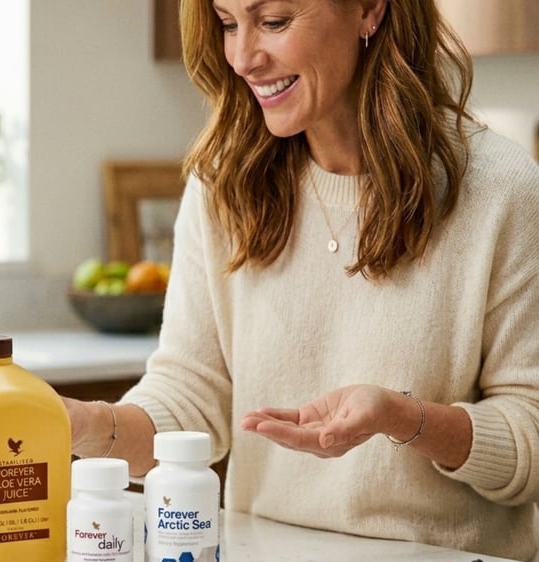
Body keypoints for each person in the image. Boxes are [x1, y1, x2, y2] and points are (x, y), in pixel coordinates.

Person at [63, 0, 539, 559]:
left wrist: (404, 418)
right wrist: (86, 426)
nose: (243, 58)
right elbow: (189, 397)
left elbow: (529, 438)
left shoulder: (503, 191)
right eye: (227, 23)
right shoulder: (223, 185)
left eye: (274, 22)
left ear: (368, 11)